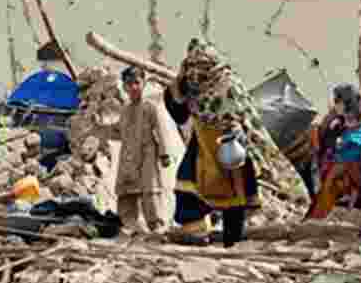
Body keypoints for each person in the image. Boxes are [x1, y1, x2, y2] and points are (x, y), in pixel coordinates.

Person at [163, 38, 274, 248]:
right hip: (203, 142)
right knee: (189, 185)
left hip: (229, 143)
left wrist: (242, 133)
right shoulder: (188, 84)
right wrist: (175, 90)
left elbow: (248, 117)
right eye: (192, 66)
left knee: (233, 192)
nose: (196, 73)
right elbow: (180, 115)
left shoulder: (229, 84)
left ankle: (233, 235)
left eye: (202, 66)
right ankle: (196, 231)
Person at [94, 66, 174, 234]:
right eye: (129, 84)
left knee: (149, 191)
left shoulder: (150, 107)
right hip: (128, 157)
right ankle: (129, 225)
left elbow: (161, 130)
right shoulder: (125, 110)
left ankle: (156, 226)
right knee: (127, 192)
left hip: (147, 155)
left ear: (143, 83)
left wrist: (164, 154)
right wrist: (100, 127)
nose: (134, 87)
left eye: (137, 83)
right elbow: (117, 131)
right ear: (124, 87)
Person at [305, 83, 361, 219]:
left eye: (337, 101)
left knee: (334, 175)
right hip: (358, 166)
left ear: (346, 102)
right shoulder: (343, 119)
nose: (334, 104)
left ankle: (320, 213)